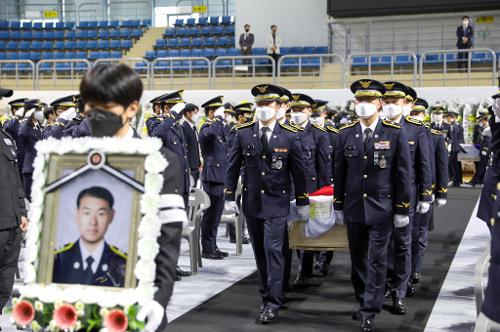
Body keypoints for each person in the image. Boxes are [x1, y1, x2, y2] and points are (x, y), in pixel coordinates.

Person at [79, 63, 188, 331]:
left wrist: (158, 302)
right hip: (79, 298)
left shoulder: (161, 162)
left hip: (136, 296)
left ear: (132, 109)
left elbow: (167, 243)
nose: (92, 114)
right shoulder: (71, 158)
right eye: (89, 106)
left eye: (104, 107)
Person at [224, 84, 310, 324]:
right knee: (260, 252)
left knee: (274, 250)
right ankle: (270, 292)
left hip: (277, 202)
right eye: (259, 104)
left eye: (267, 104)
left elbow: (299, 172)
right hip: (252, 202)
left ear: (278, 106)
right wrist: (230, 196)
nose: (262, 109)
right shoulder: (243, 132)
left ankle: (271, 302)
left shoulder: (290, 134)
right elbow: (232, 167)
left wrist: (302, 200)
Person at [334, 79, 411, 332]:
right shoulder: (345, 133)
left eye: (368, 100)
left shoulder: (394, 132)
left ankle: (370, 309)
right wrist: (338, 205)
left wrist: (402, 208)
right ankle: (362, 299)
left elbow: (402, 173)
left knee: (377, 259)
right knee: (358, 260)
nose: (363, 105)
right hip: (355, 207)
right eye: (359, 100)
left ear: (379, 103)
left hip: (383, 208)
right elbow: (340, 172)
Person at [382, 81, 432, 315]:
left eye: (395, 101)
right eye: (387, 101)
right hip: (379, 197)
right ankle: (382, 285)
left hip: (406, 196)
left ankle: (398, 291)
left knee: (403, 243)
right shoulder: (376, 126)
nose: (391, 105)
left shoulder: (415, 128)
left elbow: (424, 163)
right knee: (381, 245)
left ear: (405, 103)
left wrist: (426, 195)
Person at [288, 93, 330, 289]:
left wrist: (323, 193)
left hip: (311, 190)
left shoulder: (319, 134)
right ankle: (301, 267)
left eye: (300, 110)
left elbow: (323, 168)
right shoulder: (286, 132)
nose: (296, 113)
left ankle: (304, 271)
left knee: (308, 231)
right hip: (289, 189)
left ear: (308, 111)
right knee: (293, 230)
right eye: (293, 109)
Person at [407, 98, 448, 295]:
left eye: (418, 113)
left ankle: (415, 269)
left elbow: (441, 166)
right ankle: (404, 273)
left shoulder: (435, 137)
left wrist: (441, 191)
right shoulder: (401, 132)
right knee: (404, 237)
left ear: (425, 115)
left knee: (420, 234)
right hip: (406, 192)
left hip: (425, 192)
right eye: (412, 113)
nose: (415, 116)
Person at [53, 186, 127, 287]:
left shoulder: (121, 261)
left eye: (101, 214)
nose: (93, 222)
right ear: (77, 213)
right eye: (87, 213)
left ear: (111, 215)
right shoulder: (59, 259)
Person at [0, 86, 29, 316]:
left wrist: (22, 212)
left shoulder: (6, 138)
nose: (2, 103)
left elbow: (15, 180)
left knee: (6, 279)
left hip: (11, 222)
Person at [199, 96, 230, 260]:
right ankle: (206, 248)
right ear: (211, 112)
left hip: (222, 176)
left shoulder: (220, 128)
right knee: (210, 215)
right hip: (212, 177)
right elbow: (208, 135)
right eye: (220, 112)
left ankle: (213, 245)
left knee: (217, 214)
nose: (223, 115)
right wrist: (217, 119)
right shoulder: (206, 127)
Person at [18, 99, 44, 201]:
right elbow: (21, 134)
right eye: (38, 109)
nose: (40, 112)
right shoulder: (25, 126)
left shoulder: (37, 127)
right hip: (30, 169)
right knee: (29, 200)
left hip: (39, 167)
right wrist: (26, 118)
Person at [466, 111, 490, 187]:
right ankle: (480, 181)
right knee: (480, 165)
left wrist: (485, 150)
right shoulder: (484, 127)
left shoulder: (489, 128)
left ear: (484, 120)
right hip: (482, 149)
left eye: (481, 120)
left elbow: (488, 141)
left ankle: (473, 182)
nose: (480, 122)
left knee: (481, 166)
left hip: (486, 150)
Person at [180, 103, 201, 186]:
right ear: (188, 114)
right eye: (195, 113)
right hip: (189, 166)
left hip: (195, 165)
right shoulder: (184, 127)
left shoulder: (193, 127)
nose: (197, 115)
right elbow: (185, 148)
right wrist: (187, 166)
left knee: (194, 190)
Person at [446, 108, 465, 187]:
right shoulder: (457, 126)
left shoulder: (453, 126)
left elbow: (452, 137)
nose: (447, 118)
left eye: (448, 117)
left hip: (455, 148)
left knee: (453, 164)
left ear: (451, 117)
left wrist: (448, 144)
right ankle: (458, 180)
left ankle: (455, 179)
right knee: (456, 164)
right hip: (458, 148)